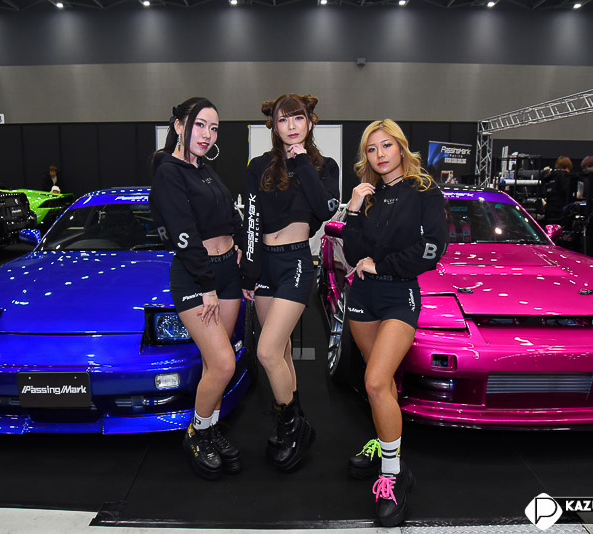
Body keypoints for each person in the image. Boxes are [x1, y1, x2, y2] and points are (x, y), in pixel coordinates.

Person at [342, 119, 448, 527]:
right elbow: (354, 252)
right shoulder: (368, 194)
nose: (379, 154)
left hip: (400, 294)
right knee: (380, 383)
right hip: (363, 296)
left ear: (401, 148)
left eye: (386, 145)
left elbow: (433, 248)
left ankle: (393, 475)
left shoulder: (424, 190)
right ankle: (385, 442)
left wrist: (382, 265)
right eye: (371, 149)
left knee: (374, 381)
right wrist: (353, 209)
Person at [241, 93, 340, 471]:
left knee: (266, 352)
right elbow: (251, 221)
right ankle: (297, 424)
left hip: (296, 262)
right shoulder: (258, 166)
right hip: (264, 264)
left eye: (298, 118)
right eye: (283, 120)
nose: (291, 126)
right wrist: (249, 273)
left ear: (310, 122)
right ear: (274, 125)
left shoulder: (323, 166)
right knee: (279, 351)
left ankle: (290, 428)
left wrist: (302, 163)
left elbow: (326, 208)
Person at [149, 97, 244, 480]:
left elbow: (229, 214)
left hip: (227, 273)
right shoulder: (168, 172)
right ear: (178, 125)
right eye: (200, 125)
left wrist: (237, 243)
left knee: (212, 364)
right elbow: (184, 234)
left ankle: (211, 428)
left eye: (214, 128)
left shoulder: (204, 169)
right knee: (224, 363)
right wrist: (206, 285)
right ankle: (197, 432)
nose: (207, 134)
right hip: (196, 277)